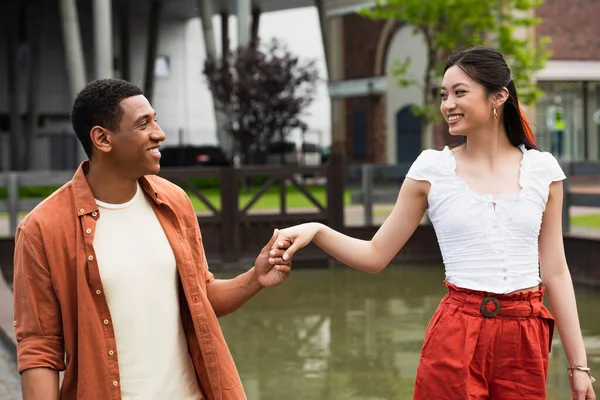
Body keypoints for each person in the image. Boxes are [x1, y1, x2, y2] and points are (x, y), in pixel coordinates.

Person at [268, 47, 596, 400]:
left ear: (498, 96)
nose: (447, 105)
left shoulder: (543, 171)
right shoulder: (432, 170)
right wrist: (317, 231)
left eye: (459, 92)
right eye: (443, 95)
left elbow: (556, 272)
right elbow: (375, 255)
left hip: (525, 337)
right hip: (457, 333)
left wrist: (578, 367)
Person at [13, 78, 292, 400]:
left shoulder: (174, 202)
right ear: (102, 139)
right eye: (143, 124)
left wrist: (254, 278)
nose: (159, 133)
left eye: (155, 120)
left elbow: (201, 299)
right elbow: (40, 346)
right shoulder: (42, 228)